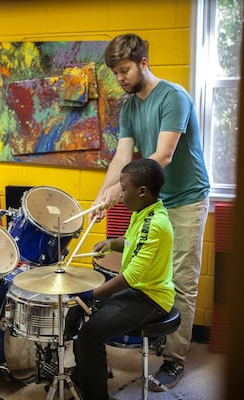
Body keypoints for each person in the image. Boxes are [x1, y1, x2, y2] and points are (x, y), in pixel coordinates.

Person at [90, 33, 210, 390]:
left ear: (143, 63)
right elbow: (122, 157)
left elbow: (163, 156)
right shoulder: (129, 107)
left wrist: (118, 191)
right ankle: (161, 337)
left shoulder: (173, 97)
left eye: (124, 70)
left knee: (182, 281)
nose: (120, 78)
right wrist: (101, 197)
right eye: (115, 73)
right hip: (154, 200)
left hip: (186, 197)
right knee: (145, 270)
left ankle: (174, 361)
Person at [72, 158, 175, 400]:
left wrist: (91, 293)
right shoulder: (143, 211)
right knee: (81, 313)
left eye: (123, 188)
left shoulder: (155, 224)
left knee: (89, 334)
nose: (120, 194)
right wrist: (111, 243)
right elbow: (131, 242)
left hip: (151, 298)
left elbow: (129, 277)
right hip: (139, 290)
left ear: (142, 191)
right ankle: (89, 375)